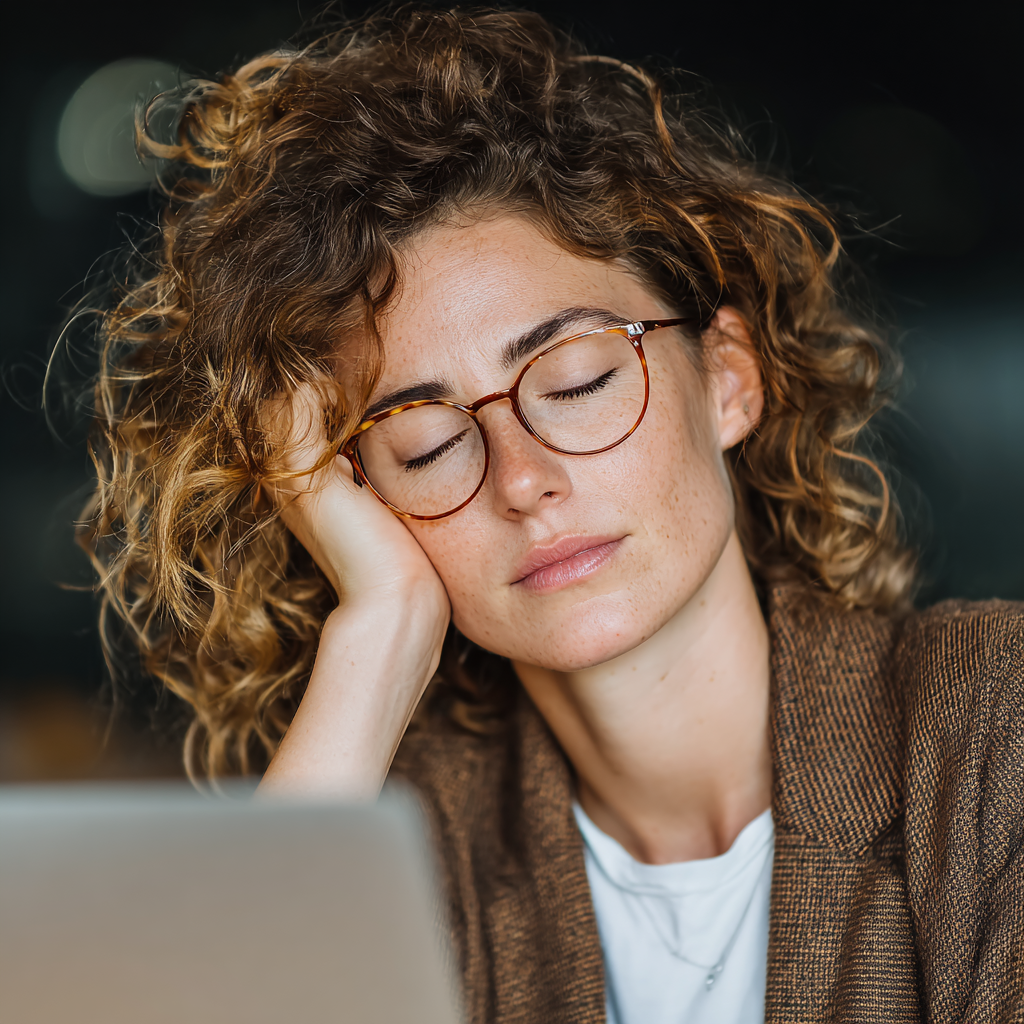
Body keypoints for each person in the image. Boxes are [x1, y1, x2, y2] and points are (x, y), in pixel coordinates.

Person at [79, 5, 1024, 1022]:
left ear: (728, 380)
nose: (520, 478)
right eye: (425, 444)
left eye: (573, 381)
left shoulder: (986, 725)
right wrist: (380, 625)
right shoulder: (403, 839)